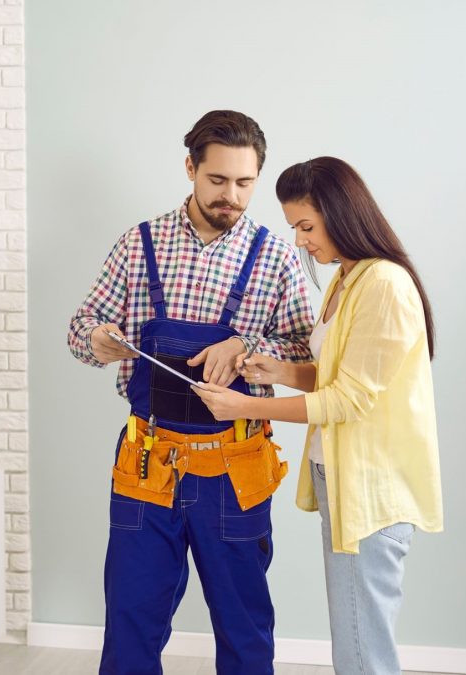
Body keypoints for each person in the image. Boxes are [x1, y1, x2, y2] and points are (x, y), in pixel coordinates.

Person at [68, 110, 314, 674]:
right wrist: (99, 341)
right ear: (190, 169)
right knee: (131, 618)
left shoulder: (276, 256)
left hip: (235, 466)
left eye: (244, 183)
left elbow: (309, 354)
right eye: (217, 180)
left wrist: (247, 345)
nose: (231, 195)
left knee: (244, 625)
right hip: (146, 463)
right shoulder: (139, 244)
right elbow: (81, 327)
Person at [193, 156, 444, 675]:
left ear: (340, 213)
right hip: (343, 480)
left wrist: (246, 406)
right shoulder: (345, 281)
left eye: (307, 227)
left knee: (361, 648)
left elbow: (348, 401)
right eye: (294, 229)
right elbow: (333, 376)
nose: (301, 241)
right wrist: (282, 370)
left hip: (372, 489)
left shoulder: (384, 285)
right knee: (354, 638)